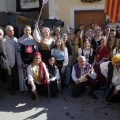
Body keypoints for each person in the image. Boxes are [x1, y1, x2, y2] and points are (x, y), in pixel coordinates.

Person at [17, 25, 39, 92]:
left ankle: (33, 89)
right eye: (26, 30)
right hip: (24, 62)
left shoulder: (34, 40)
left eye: (29, 30)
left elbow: (37, 51)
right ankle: (26, 89)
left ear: (31, 31)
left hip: (33, 62)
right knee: (25, 76)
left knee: (33, 75)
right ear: (23, 31)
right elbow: (18, 53)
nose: (27, 31)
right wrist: (19, 62)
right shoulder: (19, 40)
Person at [1, 25, 19, 95]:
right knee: (9, 76)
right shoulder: (4, 40)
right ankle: (10, 88)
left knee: (15, 74)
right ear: (6, 31)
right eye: (10, 30)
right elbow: (4, 53)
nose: (11, 32)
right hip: (9, 60)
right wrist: (7, 62)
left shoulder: (15, 39)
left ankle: (15, 86)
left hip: (16, 59)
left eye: (12, 30)